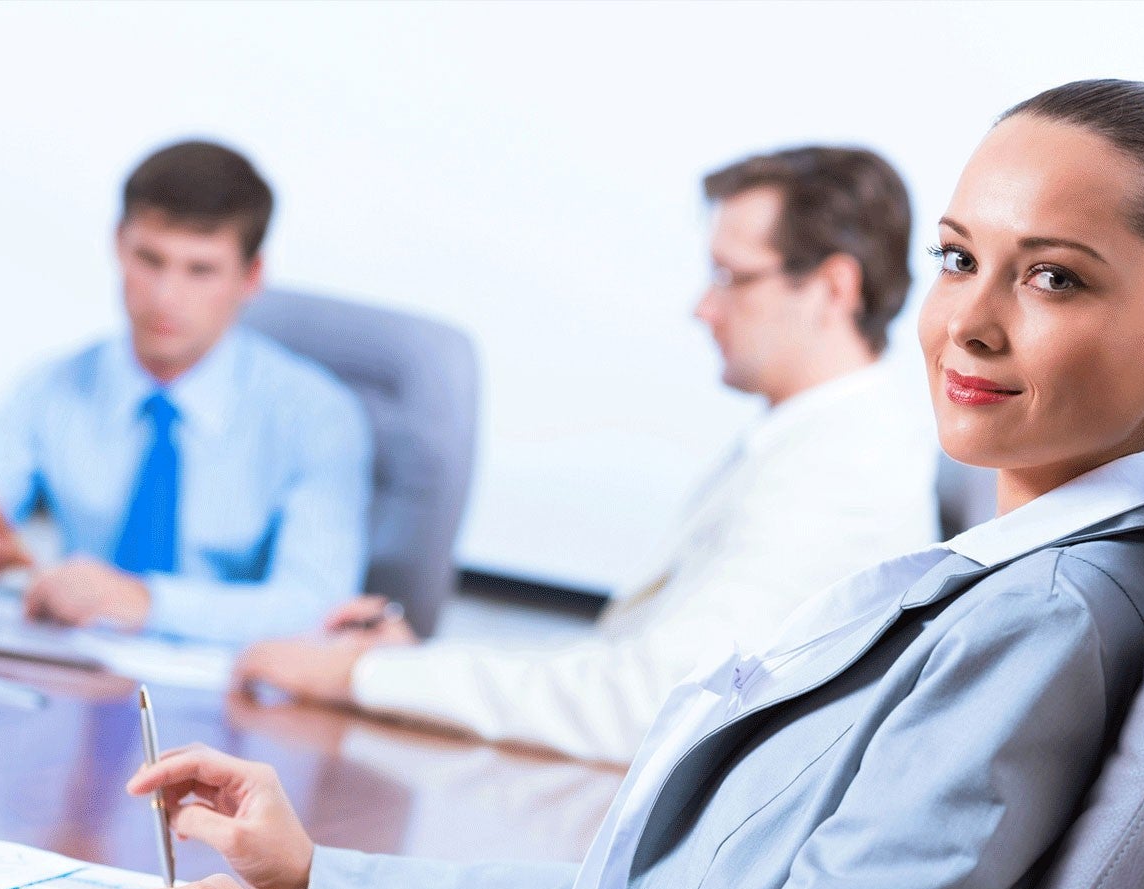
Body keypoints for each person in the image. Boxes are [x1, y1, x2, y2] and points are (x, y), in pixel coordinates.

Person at [76, 79, 1144, 889]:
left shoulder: (1042, 620)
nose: (967, 324)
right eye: (959, 259)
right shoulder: (1011, 585)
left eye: (1053, 280)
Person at [234, 145, 940, 762]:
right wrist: (417, 668)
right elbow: (632, 664)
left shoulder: (846, 470)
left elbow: (649, 702)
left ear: (833, 287)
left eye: (731, 276)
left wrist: (359, 678)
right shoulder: (806, 438)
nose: (704, 306)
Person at [0, 141, 372, 645]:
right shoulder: (56, 386)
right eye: (149, 259)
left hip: (223, 697)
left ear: (251, 277)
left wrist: (144, 602)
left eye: (199, 270)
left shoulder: (318, 417)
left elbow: (318, 607)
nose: (166, 296)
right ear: (119, 244)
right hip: (71, 681)